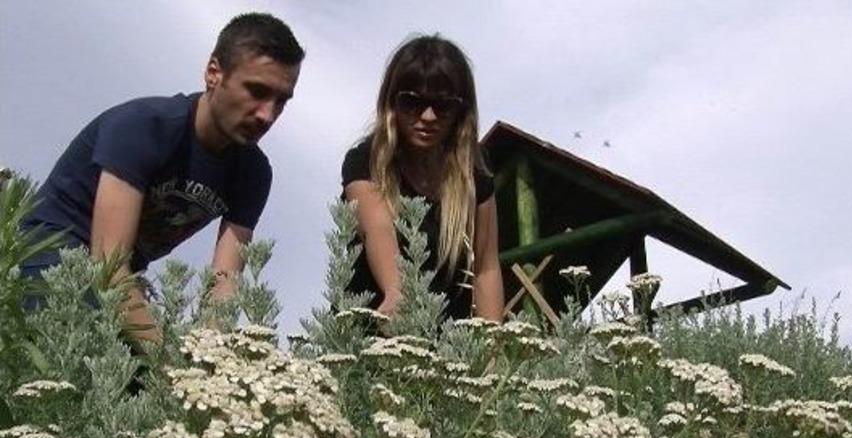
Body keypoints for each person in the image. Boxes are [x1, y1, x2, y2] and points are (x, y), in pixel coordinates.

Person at [20, 12, 304, 346]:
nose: (267, 115)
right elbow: (108, 266)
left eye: (281, 101)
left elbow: (224, 284)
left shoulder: (253, 173)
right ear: (214, 73)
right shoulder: (145, 127)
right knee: (97, 359)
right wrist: (168, 363)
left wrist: (211, 358)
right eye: (256, 91)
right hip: (50, 258)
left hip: (119, 281)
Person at [340, 35, 504, 321]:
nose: (428, 116)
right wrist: (396, 293)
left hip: (450, 348)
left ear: (461, 111)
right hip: (373, 333)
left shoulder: (474, 174)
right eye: (412, 103)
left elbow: (486, 269)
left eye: (444, 106)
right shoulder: (366, 161)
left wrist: (492, 351)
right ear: (391, 103)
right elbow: (378, 230)